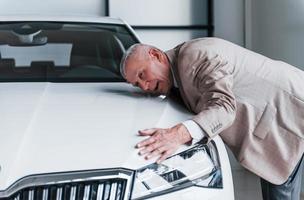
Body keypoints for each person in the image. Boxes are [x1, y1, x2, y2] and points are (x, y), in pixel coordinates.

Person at [119, 37, 304, 200]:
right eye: (136, 84)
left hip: (291, 110)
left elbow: (224, 107)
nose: (144, 86)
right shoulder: (176, 76)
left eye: (142, 75)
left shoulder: (195, 56)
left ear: (156, 55)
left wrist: (178, 134)